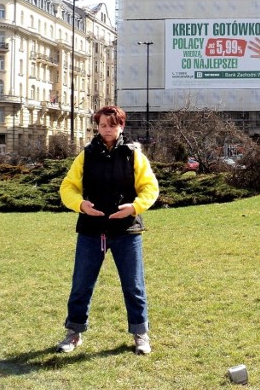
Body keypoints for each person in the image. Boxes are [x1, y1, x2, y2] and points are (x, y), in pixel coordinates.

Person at [57, 105, 159, 355]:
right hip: (92, 230)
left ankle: (140, 333)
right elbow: (67, 187)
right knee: (81, 284)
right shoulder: (86, 155)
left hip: (127, 231)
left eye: (112, 125)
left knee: (134, 285)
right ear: (97, 126)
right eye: (103, 125)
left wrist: (135, 207)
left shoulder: (134, 155)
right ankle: (74, 333)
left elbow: (150, 187)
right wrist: (80, 204)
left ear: (121, 126)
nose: (107, 129)